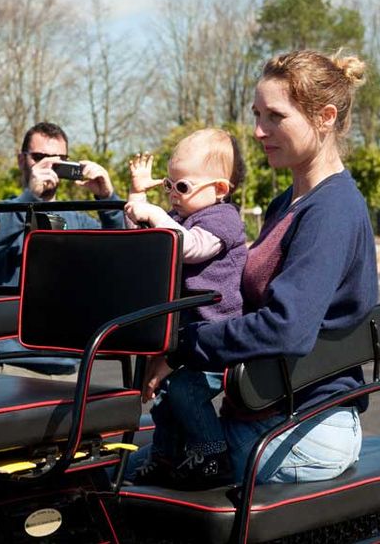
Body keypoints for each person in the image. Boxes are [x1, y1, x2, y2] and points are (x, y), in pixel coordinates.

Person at [128, 49, 377, 487]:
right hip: (266, 415)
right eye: (257, 114)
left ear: (325, 117)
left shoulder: (332, 209)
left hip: (307, 429)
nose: (259, 131)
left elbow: (287, 327)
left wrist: (183, 347)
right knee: (121, 469)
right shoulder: (289, 203)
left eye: (275, 116)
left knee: (130, 483)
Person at [123, 129, 248, 489]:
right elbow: (144, 237)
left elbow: (186, 247)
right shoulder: (183, 216)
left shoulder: (221, 220)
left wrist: (155, 212)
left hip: (217, 336)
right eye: (169, 185)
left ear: (220, 189)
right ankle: (166, 455)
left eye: (182, 188)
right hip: (187, 336)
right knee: (165, 401)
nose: (173, 196)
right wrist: (138, 196)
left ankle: (213, 454)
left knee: (184, 392)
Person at [0, 122, 124, 287]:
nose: (48, 166)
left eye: (59, 161)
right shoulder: (1, 212)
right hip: (10, 311)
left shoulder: (79, 221)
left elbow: (116, 258)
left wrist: (108, 201)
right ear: (21, 161)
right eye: (39, 157)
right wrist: (30, 197)